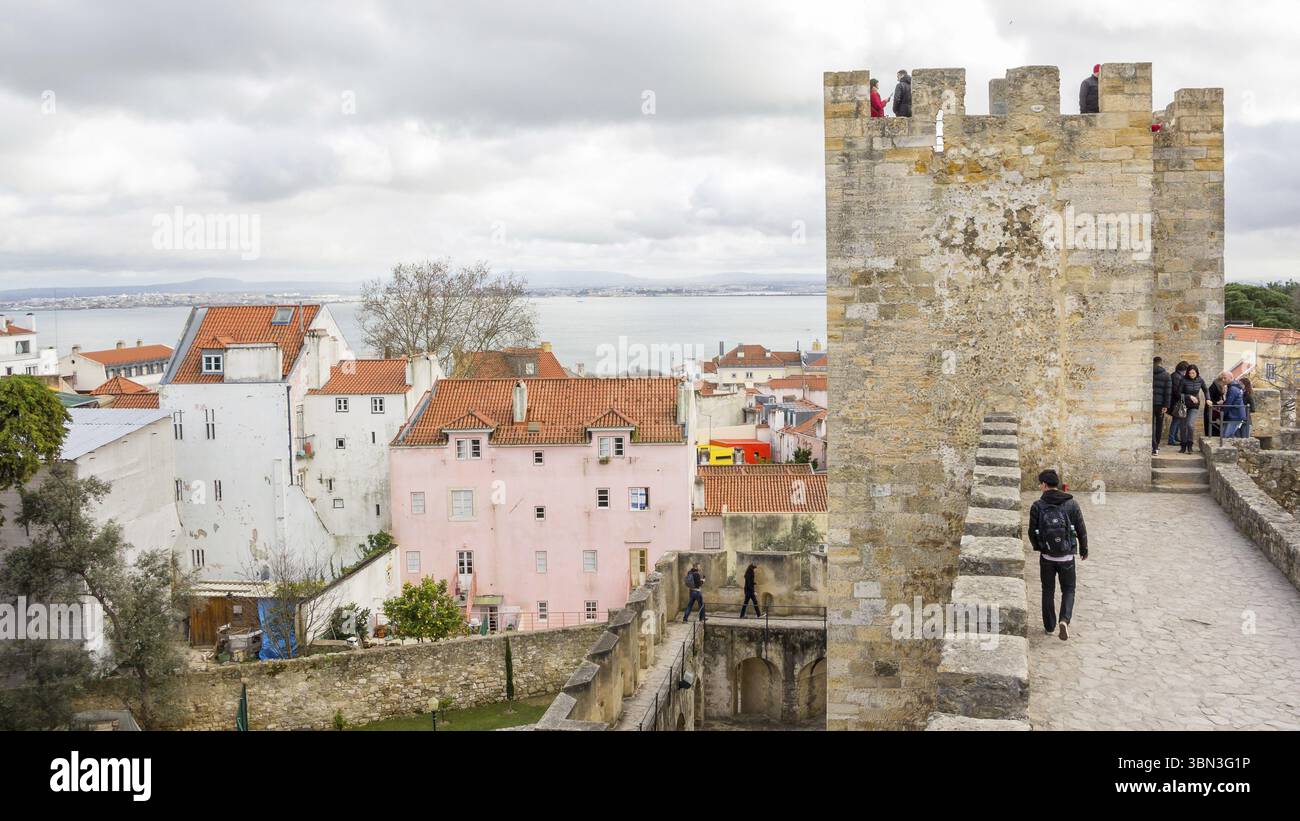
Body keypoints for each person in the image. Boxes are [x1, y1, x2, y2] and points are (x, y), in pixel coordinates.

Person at [1028, 469, 1088, 640]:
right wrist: (1084, 549)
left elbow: (1032, 532)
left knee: (1048, 589)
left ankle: (1049, 625)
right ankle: (1064, 619)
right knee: (1069, 589)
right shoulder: (1071, 503)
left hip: (1047, 557)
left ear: (1044, 485)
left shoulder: (1037, 506)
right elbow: (1081, 528)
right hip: (1067, 556)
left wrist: (1039, 547)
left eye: (1040, 484)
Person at [1178, 364, 1209, 453]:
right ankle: (1183, 445)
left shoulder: (1200, 380)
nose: (1191, 375)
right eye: (1190, 373)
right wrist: (1189, 396)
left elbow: (1206, 390)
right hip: (1183, 405)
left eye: (1193, 373)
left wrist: (1208, 399)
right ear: (1187, 372)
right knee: (1183, 426)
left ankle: (1190, 444)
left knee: (1190, 425)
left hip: (1194, 406)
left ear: (1196, 372)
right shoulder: (1183, 380)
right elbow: (1178, 393)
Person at [1166, 360, 1188, 447]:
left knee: (1177, 420)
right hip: (1175, 403)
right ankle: (1171, 439)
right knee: (1176, 421)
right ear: (1184, 369)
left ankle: (1175, 437)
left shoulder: (1177, 375)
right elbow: (1176, 392)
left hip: (1175, 402)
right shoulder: (1176, 377)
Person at [1152, 356, 1171, 455]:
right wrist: (1166, 405)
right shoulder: (1166, 375)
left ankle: (1153, 446)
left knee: (1151, 425)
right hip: (1160, 404)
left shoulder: (1149, 374)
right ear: (1161, 363)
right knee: (1159, 425)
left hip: (1150, 404)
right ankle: (1156, 446)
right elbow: (1168, 392)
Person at [1220, 372, 1247, 438]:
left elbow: (1228, 404)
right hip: (1235, 415)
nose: (1223, 380)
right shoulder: (1233, 386)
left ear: (1231, 378)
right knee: (1227, 436)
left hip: (1235, 416)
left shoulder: (1233, 388)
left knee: (1226, 436)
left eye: (1225, 378)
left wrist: (1221, 414)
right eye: (1222, 378)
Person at [1206, 371, 1227, 437]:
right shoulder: (1213, 387)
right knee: (1213, 429)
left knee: (1217, 428)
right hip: (1212, 411)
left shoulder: (1219, 386)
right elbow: (1208, 401)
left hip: (1216, 411)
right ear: (1222, 379)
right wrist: (1217, 403)